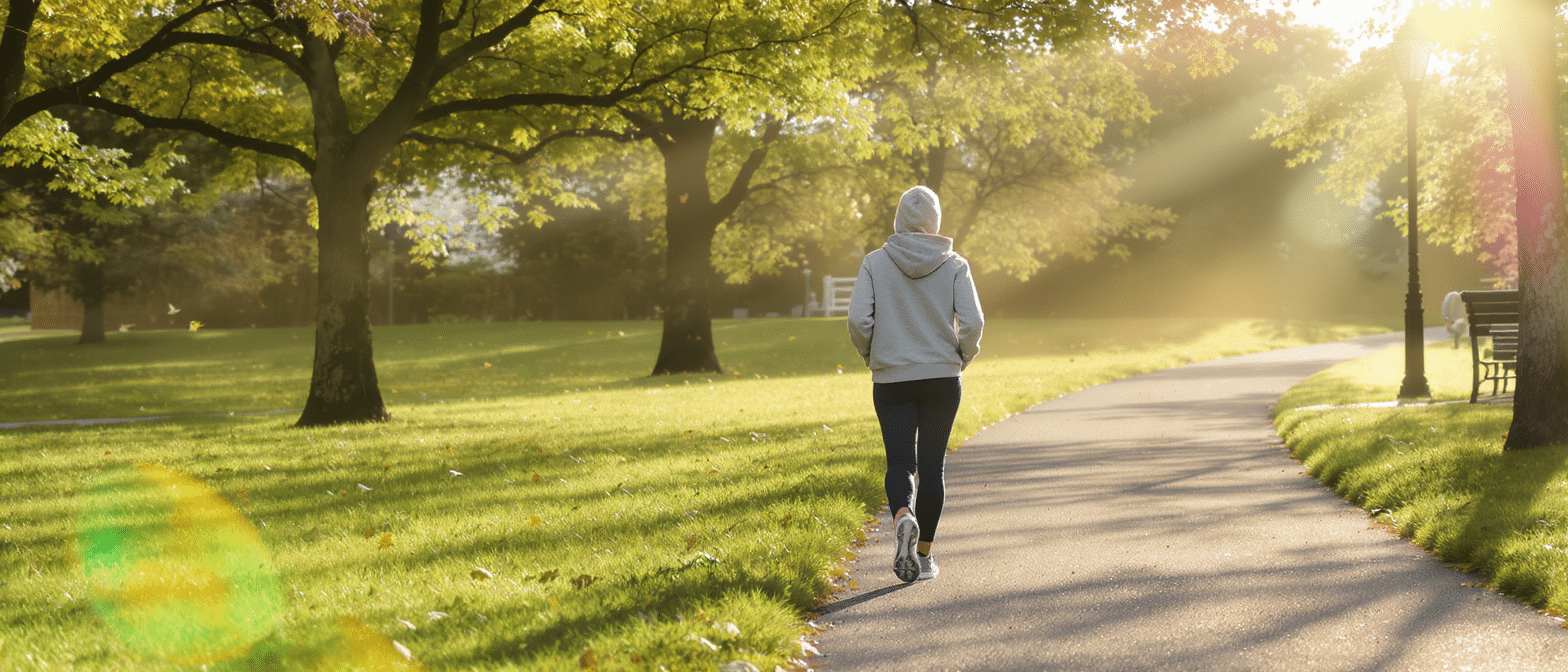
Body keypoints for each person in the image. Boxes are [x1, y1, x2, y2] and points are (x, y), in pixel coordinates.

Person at [847, 185, 984, 582]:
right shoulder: (955, 263)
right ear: (935, 221)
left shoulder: (875, 262)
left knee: (900, 463)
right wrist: (963, 356)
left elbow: (858, 321)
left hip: (892, 379)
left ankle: (903, 515)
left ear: (899, 218)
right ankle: (923, 557)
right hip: (942, 377)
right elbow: (974, 323)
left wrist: (871, 355)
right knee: (932, 467)